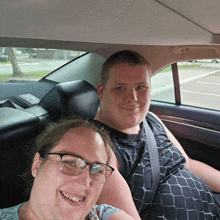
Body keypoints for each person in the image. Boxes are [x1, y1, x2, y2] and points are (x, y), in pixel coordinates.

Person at [94, 50, 220, 219]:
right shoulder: (98, 148)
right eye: (120, 88)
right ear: (101, 91)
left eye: (141, 87)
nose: (133, 97)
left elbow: (188, 164)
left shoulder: (150, 120)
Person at [0, 117, 134, 220]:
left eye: (96, 169)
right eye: (70, 163)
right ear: (37, 165)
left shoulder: (104, 215)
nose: (84, 183)